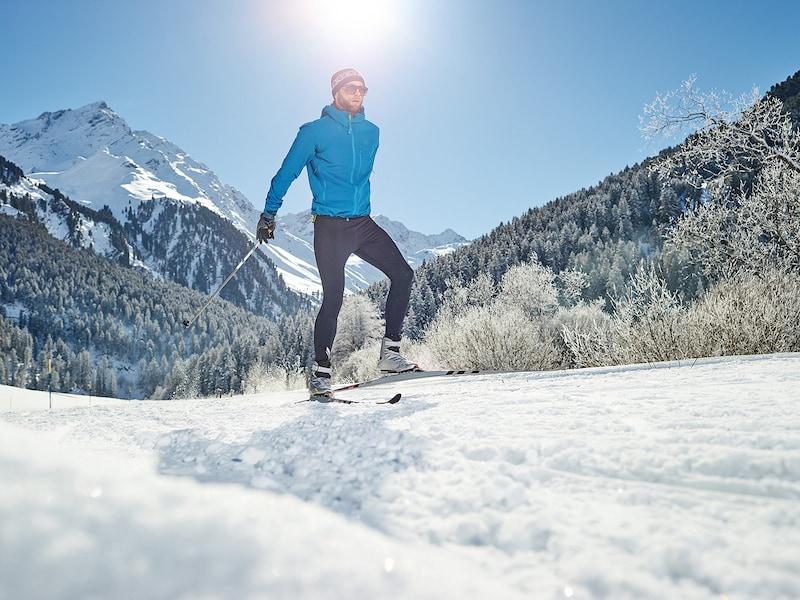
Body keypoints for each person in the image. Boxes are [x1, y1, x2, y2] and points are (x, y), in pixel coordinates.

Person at [256, 68, 418, 397]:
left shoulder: (372, 132)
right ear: (335, 92)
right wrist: (269, 213)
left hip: (362, 223)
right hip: (330, 226)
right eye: (350, 87)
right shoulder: (313, 132)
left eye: (362, 88)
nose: (358, 93)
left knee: (403, 275)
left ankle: (390, 354)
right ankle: (321, 373)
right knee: (334, 296)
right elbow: (287, 172)